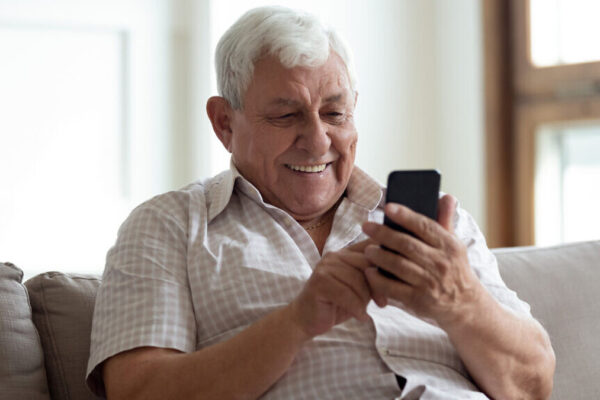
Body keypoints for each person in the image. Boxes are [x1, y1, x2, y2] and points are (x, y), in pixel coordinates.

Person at [86, 6, 555, 399]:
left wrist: (461, 302)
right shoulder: (168, 227)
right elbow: (139, 391)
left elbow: (534, 384)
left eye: (335, 113)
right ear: (224, 123)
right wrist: (296, 322)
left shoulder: (435, 224)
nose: (317, 141)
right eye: (286, 115)